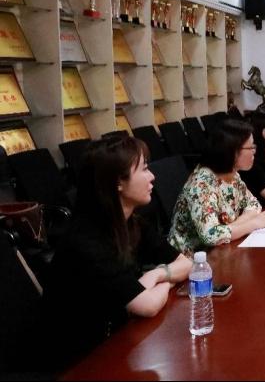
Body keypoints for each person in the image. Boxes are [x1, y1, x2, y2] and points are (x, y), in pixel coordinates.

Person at [44, 135, 192, 368]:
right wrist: (167, 280)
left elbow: (186, 264)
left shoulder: (132, 222)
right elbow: (147, 305)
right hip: (81, 359)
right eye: (144, 169)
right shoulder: (86, 241)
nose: (152, 176)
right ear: (118, 183)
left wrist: (156, 275)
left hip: (119, 337)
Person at [168, 119, 265, 254]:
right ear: (232, 151)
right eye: (250, 147)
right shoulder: (201, 184)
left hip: (223, 249)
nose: (254, 151)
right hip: (192, 257)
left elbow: (253, 204)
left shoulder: (232, 174)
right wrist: (252, 224)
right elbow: (211, 235)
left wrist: (237, 225)